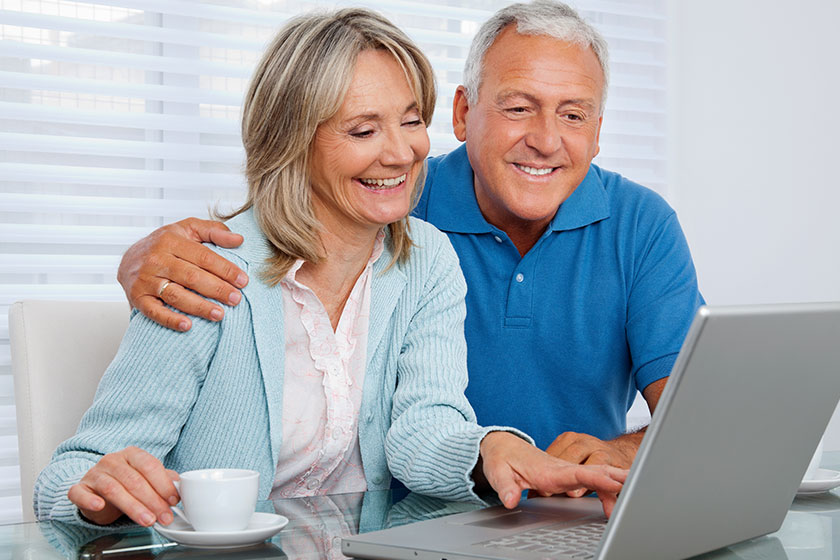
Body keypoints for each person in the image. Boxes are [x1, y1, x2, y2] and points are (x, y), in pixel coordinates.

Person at [35, 8, 628, 529]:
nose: (401, 153)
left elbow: (423, 425)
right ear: (294, 139)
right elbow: (74, 474)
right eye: (363, 129)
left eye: (411, 120)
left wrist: (490, 449)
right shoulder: (207, 270)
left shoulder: (425, 259)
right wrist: (97, 494)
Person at [116, 1, 703, 481]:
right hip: (402, 521)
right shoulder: (394, 202)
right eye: (519, 108)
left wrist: (621, 452)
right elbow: (279, 221)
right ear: (463, 112)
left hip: (562, 509)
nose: (546, 140)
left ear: (599, 131)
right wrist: (142, 259)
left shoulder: (639, 226)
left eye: (574, 115)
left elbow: (700, 411)